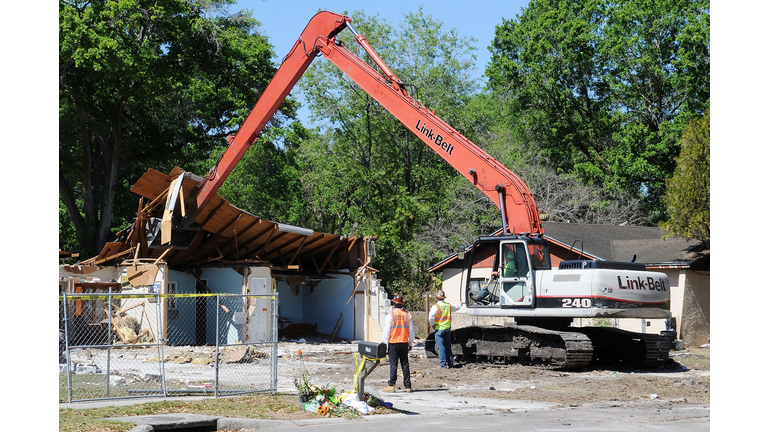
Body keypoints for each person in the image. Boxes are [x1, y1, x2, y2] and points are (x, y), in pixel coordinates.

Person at [382, 294, 414, 393]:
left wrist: (384, 344)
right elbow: (411, 331)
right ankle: (408, 386)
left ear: (394, 303)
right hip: (404, 342)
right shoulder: (408, 315)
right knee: (405, 364)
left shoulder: (390, 315)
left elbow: (387, 331)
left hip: (393, 343)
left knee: (393, 364)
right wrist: (411, 343)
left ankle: (392, 385)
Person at [428, 290, 463, 368]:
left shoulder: (436, 307)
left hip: (439, 329)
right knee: (448, 347)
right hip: (447, 329)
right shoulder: (448, 305)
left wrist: (433, 325)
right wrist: (460, 304)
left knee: (441, 348)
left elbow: (430, 317)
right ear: (444, 298)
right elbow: (456, 307)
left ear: (437, 298)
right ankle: (450, 363)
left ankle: (443, 365)